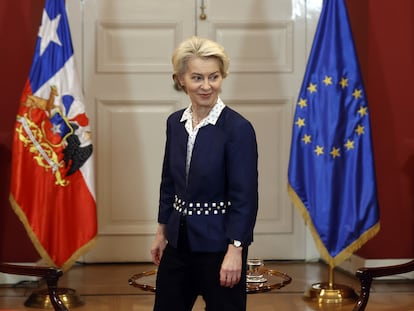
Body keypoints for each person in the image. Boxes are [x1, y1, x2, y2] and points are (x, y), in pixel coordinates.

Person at [150, 36, 258, 311]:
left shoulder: (238, 129)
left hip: (220, 248)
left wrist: (236, 250)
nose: (207, 86)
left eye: (214, 77)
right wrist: (161, 232)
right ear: (180, 79)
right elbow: (168, 183)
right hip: (177, 243)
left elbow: (244, 198)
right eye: (197, 77)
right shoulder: (175, 123)